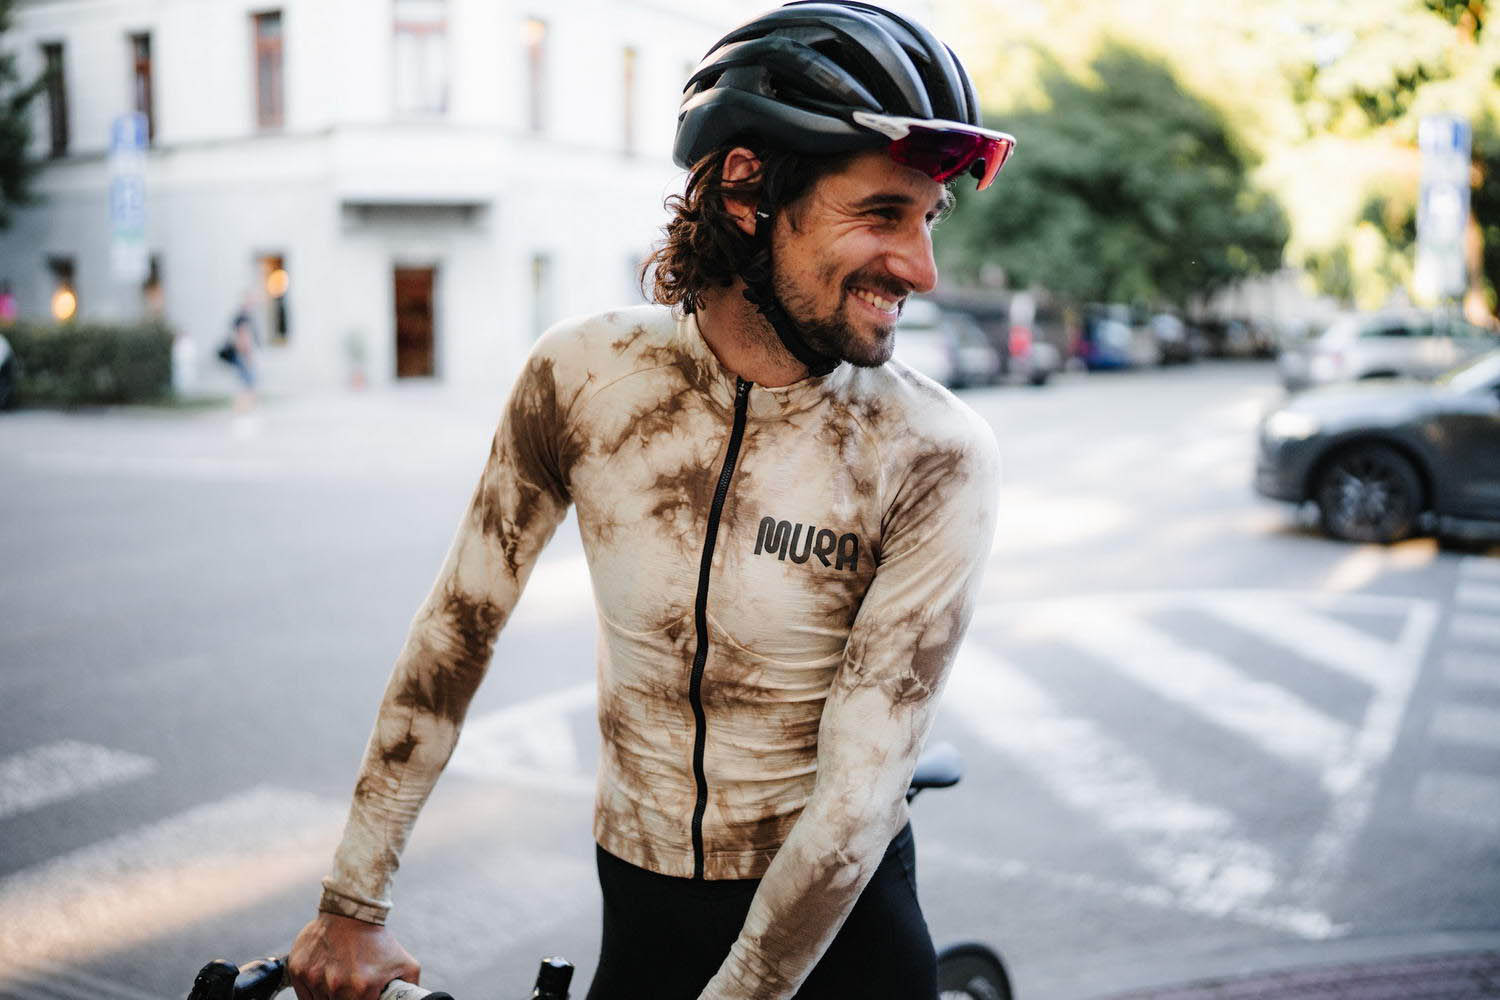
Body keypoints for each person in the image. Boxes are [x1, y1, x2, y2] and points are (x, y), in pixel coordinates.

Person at [290, 3, 1014, 998]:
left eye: (928, 219)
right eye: (882, 214)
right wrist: (352, 902)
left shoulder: (932, 452)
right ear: (748, 187)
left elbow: (855, 801)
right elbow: (455, 632)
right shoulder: (586, 376)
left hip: (841, 930)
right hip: (643, 902)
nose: (921, 268)